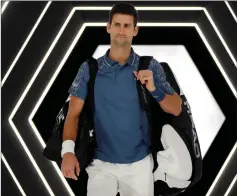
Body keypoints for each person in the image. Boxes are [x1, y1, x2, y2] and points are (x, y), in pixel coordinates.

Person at [60, 2, 182, 196]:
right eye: (117, 24)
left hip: (140, 164)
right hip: (100, 164)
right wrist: (67, 152)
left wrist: (154, 89)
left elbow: (176, 108)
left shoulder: (149, 66)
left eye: (127, 26)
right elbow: (73, 113)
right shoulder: (89, 69)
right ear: (108, 27)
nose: (121, 30)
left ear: (135, 30)